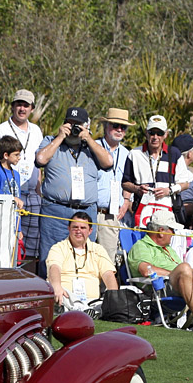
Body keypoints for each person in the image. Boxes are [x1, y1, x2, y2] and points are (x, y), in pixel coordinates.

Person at [34, 107, 113, 272]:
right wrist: (60, 136)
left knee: (83, 259)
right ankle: (50, 294)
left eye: (78, 125)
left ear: (86, 126)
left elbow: (108, 163)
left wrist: (89, 139)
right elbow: (40, 159)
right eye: (71, 123)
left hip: (85, 213)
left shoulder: (93, 146)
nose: (74, 128)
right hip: (55, 212)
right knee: (50, 259)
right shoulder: (51, 141)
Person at [121, 114, 193, 228]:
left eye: (159, 133)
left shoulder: (174, 154)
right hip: (142, 211)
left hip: (167, 212)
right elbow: (125, 183)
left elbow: (185, 183)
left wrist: (168, 190)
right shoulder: (134, 154)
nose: (155, 137)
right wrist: (137, 189)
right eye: (151, 132)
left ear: (166, 135)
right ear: (146, 133)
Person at [46, 212, 118, 311]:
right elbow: (54, 268)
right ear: (69, 229)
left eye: (83, 228)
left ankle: (87, 310)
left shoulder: (98, 249)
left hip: (92, 301)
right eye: (75, 227)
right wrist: (57, 287)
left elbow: (108, 274)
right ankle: (82, 310)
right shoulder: (58, 248)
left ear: (90, 231)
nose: (78, 231)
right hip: (66, 298)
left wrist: (114, 297)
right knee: (62, 297)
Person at [94, 108, 134, 264]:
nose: (119, 130)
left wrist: (126, 202)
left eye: (123, 127)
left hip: (112, 215)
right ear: (106, 126)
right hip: (89, 210)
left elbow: (129, 181)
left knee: (107, 260)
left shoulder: (127, 154)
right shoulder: (93, 147)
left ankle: (105, 289)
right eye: (115, 125)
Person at [0, 88, 41, 189]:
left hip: (32, 193)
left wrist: (38, 193)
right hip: (9, 193)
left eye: (26, 106)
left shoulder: (36, 130)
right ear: (12, 107)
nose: (22, 109)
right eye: (19, 105)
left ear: (32, 109)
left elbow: (38, 167)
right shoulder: (0, 130)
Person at [171, 133, 193, 226]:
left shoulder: (164, 167)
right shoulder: (187, 175)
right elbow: (184, 208)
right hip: (178, 225)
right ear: (190, 153)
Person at [0, 135, 24, 209]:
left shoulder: (16, 174)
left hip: (14, 215)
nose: (19, 158)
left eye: (19, 154)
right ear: (6, 155)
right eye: (16, 155)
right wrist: (11, 199)